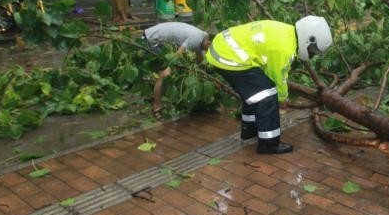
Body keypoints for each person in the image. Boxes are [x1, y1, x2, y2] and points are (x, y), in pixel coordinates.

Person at [206, 16, 332, 155]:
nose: (312, 53)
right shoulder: (284, 48)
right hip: (228, 57)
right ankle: (269, 144)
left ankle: (249, 130)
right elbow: (277, 76)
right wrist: (282, 98)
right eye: (313, 49)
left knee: (255, 93)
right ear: (308, 39)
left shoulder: (286, 31)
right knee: (267, 94)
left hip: (222, 48)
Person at [142, 22, 212, 119]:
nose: (207, 52)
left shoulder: (202, 37)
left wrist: (201, 73)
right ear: (208, 43)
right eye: (209, 50)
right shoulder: (196, 39)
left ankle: (156, 93)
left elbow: (199, 59)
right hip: (153, 40)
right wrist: (171, 68)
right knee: (164, 74)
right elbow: (178, 54)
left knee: (167, 70)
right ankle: (157, 106)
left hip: (157, 38)